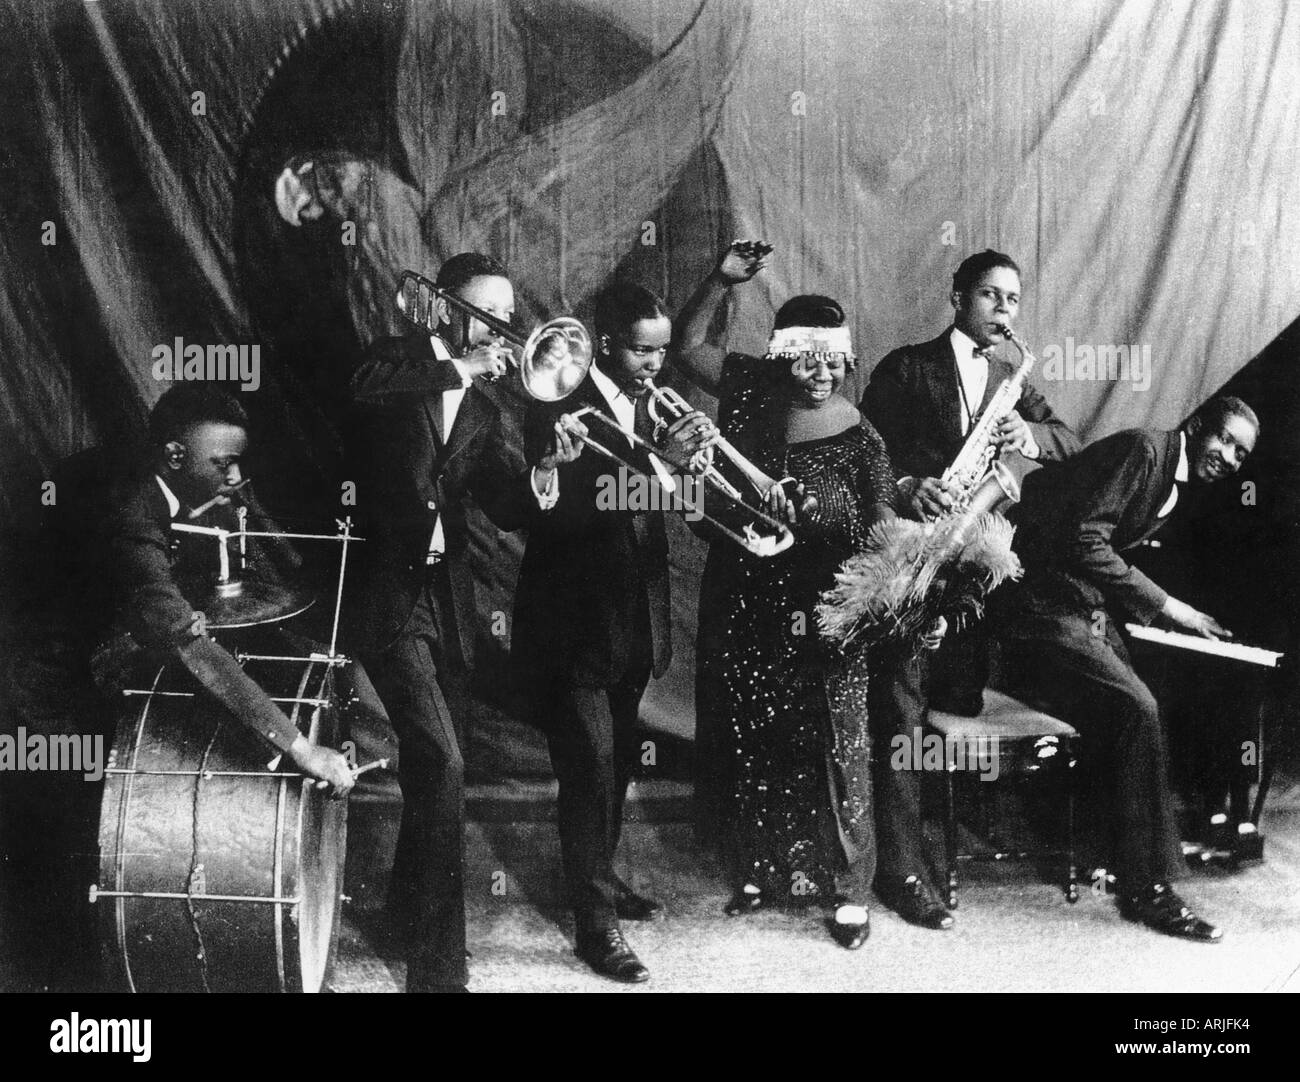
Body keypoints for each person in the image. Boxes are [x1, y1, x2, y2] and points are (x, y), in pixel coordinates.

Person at [676, 243, 904, 948]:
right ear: (782, 357)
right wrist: (721, 280)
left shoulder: (864, 440)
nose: (820, 374)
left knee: (841, 745)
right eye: (807, 360)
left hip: (832, 611)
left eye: (832, 362)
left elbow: (883, 535)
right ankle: (760, 870)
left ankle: (849, 890)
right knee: (755, 735)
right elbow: (689, 346)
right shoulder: (747, 390)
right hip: (750, 599)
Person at [858, 248, 1080, 931]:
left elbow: (1071, 440)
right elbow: (864, 451)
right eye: (989, 296)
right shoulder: (905, 366)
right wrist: (902, 486)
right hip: (910, 552)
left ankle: (927, 842)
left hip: (971, 571)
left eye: (1012, 299)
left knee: (948, 705)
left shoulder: (1012, 378)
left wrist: (1032, 436)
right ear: (957, 298)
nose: (1003, 309)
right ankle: (899, 869)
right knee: (897, 711)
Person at [994, 395, 1260, 941]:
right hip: (1036, 605)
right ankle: (1151, 888)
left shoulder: (1173, 472)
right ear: (1197, 426)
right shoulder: (1144, 450)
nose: (1230, 458)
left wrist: (1157, 615)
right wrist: (1171, 608)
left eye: (1241, 454)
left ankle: (1117, 853)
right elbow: (1083, 539)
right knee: (1137, 706)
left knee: (1139, 701)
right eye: (1225, 441)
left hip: (1076, 602)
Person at [344, 251, 539, 993]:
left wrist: (548, 468)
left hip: (447, 604)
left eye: (506, 314)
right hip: (385, 595)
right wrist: (460, 367)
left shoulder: (489, 410)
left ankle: (401, 918)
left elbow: (508, 506)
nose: (499, 327)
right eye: (484, 310)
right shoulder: (393, 362)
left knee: (437, 771)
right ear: (443, 307)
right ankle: (438, 970)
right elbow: (360, 394)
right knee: (447, 763)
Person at [511, 281, 716, 982]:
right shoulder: (557, 404)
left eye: (662, 351)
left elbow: (686, 512)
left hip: (636, 620)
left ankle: (601, 878)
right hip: (572, 624)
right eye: (640, 349)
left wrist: (690, 471)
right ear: (604, 344)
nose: (655, 365)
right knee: (591, 768)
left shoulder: (655, 405)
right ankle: (594, 926)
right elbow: (562, 514)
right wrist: (661, 457)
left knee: (620, 764)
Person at [105, 384, 356, 794]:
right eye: (224, 464)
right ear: (174, 456)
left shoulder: (163, 490)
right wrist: (300, 747)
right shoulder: (131, 515)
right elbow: (180, 634)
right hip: (55, 679)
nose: (236, 477)